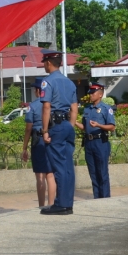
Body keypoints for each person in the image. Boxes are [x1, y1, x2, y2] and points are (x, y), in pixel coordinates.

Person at [39, 50, 78, 216]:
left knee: (59, 167)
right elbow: (74, 108)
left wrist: (45, 130)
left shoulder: (47, 82)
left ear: (48, 63)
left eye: (44, 63)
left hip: (55, 126)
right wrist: (69, 126)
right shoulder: (69, 82)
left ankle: (61, 204)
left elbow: (46, 107)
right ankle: (68, 203)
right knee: (68, 166)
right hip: (67, 126)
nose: (44, 65)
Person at [76, 82, 115, 199]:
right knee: (93, 173)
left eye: (93, 93)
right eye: (90, 93)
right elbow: (85, 127)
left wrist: (99, 125)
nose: (91, 95)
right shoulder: (87, 109)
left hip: (100, 142)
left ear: (100, 94)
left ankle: (105, 199)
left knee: (102, 173)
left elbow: (112, 127)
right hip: (89, 143)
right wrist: (75, 123)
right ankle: (97, 198)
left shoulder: (105, 109)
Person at [21, 77, 55, 208]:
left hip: (38, 140)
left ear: (37, 90)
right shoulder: (51, 104)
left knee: (40, 176)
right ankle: (52, 204)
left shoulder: (33, 106)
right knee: (50, 175)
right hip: (50, 138)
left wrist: (24, 148)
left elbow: (28, 128)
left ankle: (41, 205)